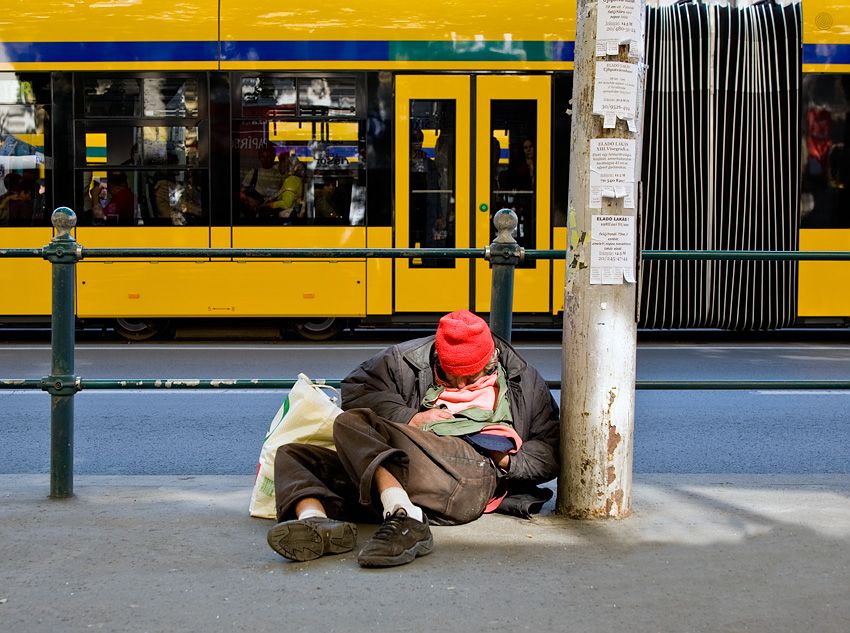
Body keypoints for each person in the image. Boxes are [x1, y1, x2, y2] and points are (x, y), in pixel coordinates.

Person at [267, 310, 559, 568]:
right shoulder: (406, 358)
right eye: (448, 376)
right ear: (437, 359)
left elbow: (551, 450)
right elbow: (357, 388)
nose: (459, 386)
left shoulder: (524, 379)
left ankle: (405, 515)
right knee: (294, 455)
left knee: (352, 423)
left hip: (474, 473)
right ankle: (315, 521)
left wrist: (507, 459)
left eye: (470, 380)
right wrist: (410, 418)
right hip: (412, 468)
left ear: (490, 361)